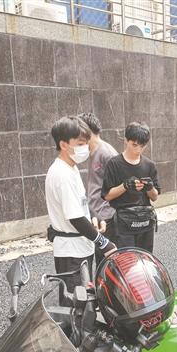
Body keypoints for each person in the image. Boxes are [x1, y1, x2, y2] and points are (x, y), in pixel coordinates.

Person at [45, 116, 116, 294]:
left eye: (86, 143)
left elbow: (81, 202)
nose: (85, 148)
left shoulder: (72, 168)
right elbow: (75, 217)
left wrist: (95, 217)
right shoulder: (62, 174)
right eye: (80, 144)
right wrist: (103, 243)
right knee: (76, 302)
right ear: (63, 145)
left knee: (86, 297)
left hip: (81, 248)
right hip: (71, 253)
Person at [102, 122, 160, 252]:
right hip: (123, 222)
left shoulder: (149, 165)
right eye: (134, 144)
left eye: (142, 146)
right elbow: (107, 195)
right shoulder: (114, 164)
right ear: (126, 140)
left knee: (145, 258)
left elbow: (155, 197)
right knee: (126, 259)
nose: (138, 149)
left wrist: (149, 187)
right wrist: (125, 186)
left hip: (145, 220)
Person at [78, 112, 118, 266]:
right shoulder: (92, 152)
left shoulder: (106, 153)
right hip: (97, 216)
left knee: (106, 262)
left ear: (86, 130)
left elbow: (119, 186)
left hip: (106, 218)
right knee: (100, 261)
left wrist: (107, 215)